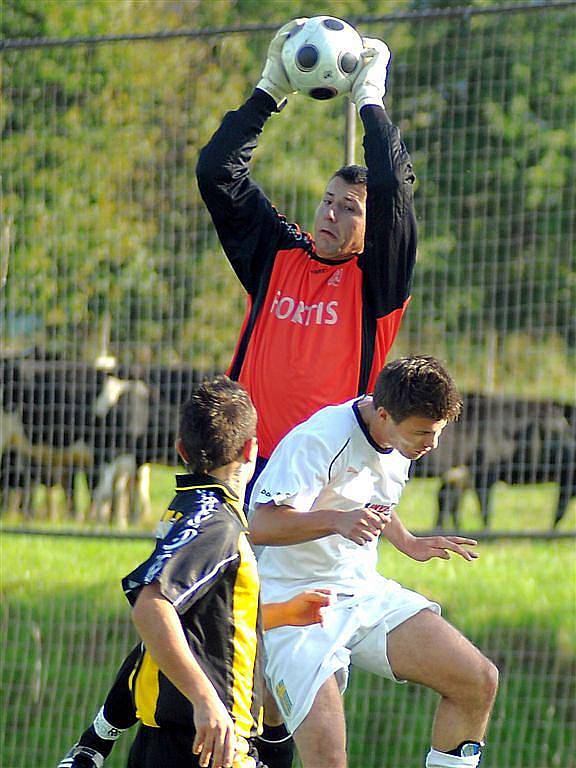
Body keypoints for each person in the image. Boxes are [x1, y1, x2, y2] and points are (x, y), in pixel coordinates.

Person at [58, 18, 416, 767]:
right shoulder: (277, 255)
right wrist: (271, 90)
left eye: (347, 209)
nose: (329, 213)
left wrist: (371, 101)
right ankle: (102, 740)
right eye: (325, 200)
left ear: (370, 226)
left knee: (248, 658)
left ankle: (102, 739)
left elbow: (390, 189)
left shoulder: (375, 287)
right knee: (195, 617)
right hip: (237, 480)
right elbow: (218, 171)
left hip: (308, 509)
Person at [58, 377, 331, 768]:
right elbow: (152, 607)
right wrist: (206, 700)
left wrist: (281, 613)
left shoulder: (188, 509)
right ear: (252, 449)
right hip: (208, 745)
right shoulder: (215, 524)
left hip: (170, 739)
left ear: (180, 450)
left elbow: (195, 626)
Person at [249, 356, 499, 768]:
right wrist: (336, 520)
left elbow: (370, 494)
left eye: (437, 432)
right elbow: (260, 524)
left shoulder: (400, 440)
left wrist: (406, 541)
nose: (431, 445)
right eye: (423, 433)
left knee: (477, 680)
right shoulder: (320, 438)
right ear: (382, 414)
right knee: (328, 759)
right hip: (296, 602)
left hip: (362, 591)